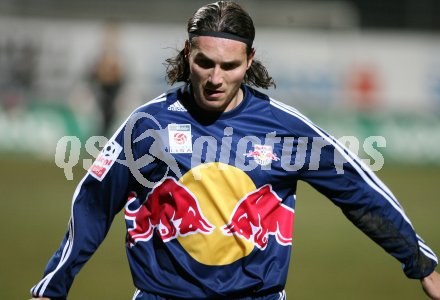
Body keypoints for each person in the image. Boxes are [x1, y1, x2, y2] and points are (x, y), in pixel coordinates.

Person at [31, 1, 440, 299]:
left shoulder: (285, 129)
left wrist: (419, 260)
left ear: (249, 61)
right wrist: (55, 283)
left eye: (229, 66)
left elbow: (358, 190)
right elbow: (93, 204)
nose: (215, 78)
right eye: (205, 63)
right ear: (187, 54)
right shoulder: (146, 126)